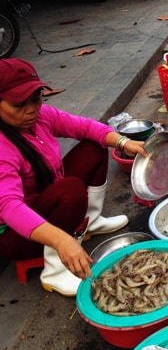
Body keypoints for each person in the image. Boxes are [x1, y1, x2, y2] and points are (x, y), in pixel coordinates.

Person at [0, 59, 148, 296]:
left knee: (94, 144)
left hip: (48, 195)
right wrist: (60, 240)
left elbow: (86, 127)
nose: (30, 110)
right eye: (19, 105)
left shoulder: (41, 117)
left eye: (35, 99)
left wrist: (123, 142)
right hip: (14, 234)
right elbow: (8, 207)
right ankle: (55, 270)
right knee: (70, 189)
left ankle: (91, 220)